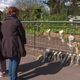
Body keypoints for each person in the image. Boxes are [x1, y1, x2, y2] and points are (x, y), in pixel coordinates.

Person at [1, 7, 26, 80]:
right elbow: (22, 33)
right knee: (15, 60)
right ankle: (14, 78)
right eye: (17, 12)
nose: (18, 13)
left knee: (11, 59)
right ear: (14, 12)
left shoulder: (4, 22)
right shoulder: (16, 21)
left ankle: (11, 75)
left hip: (6, 44)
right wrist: (23, 42)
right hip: (15, 43)